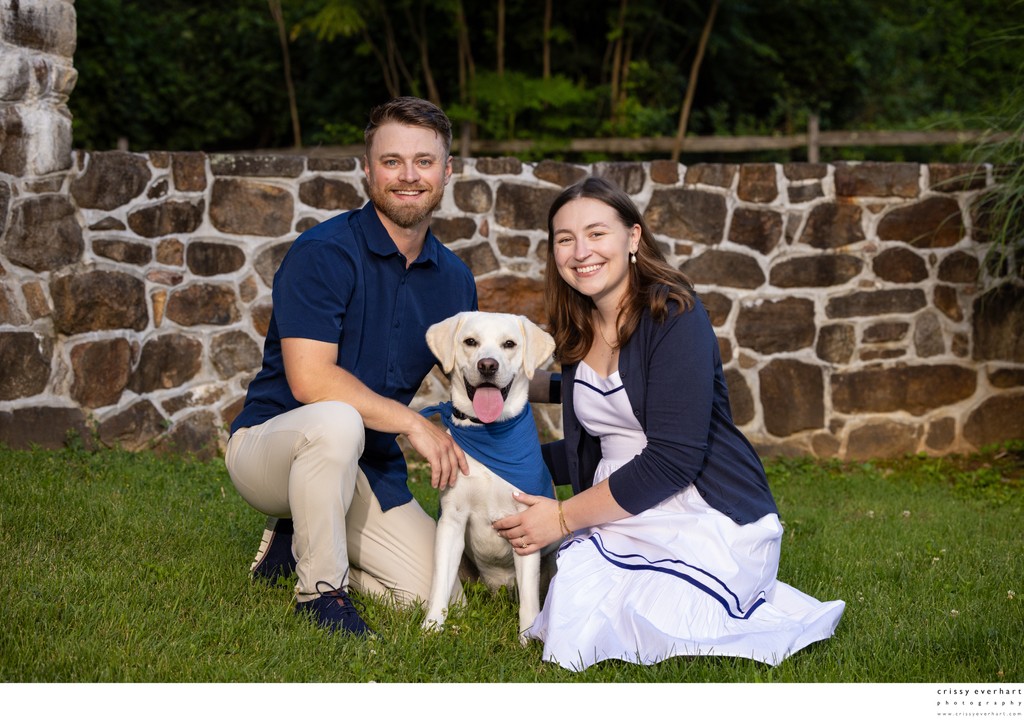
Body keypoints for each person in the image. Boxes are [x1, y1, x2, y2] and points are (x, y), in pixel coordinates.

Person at [493, 176, 845, 669]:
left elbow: (673, 459)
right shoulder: (577, 323)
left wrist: (563, 517)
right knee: (575, 605)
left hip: (699, 506)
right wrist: (491, 448)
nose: (580, 251)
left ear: (632, 238)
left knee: (667, 617)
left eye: (596, 233)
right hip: (617, 504)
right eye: (565, 239)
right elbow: (591, 427)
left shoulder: (673, 315)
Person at [225, 97, 478, 635]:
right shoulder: (324, 253)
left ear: (447, 172)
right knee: (337, 420)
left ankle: (296, 548)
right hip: (272, 447)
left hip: (367, 466)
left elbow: (472, 385)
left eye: (424, 162)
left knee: (440, 598)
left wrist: (574, 387)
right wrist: (413, 423)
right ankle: (321, 594)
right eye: (392, 161)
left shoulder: (454, 281)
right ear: (367, 169)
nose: (408, 176)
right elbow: (311, 380)